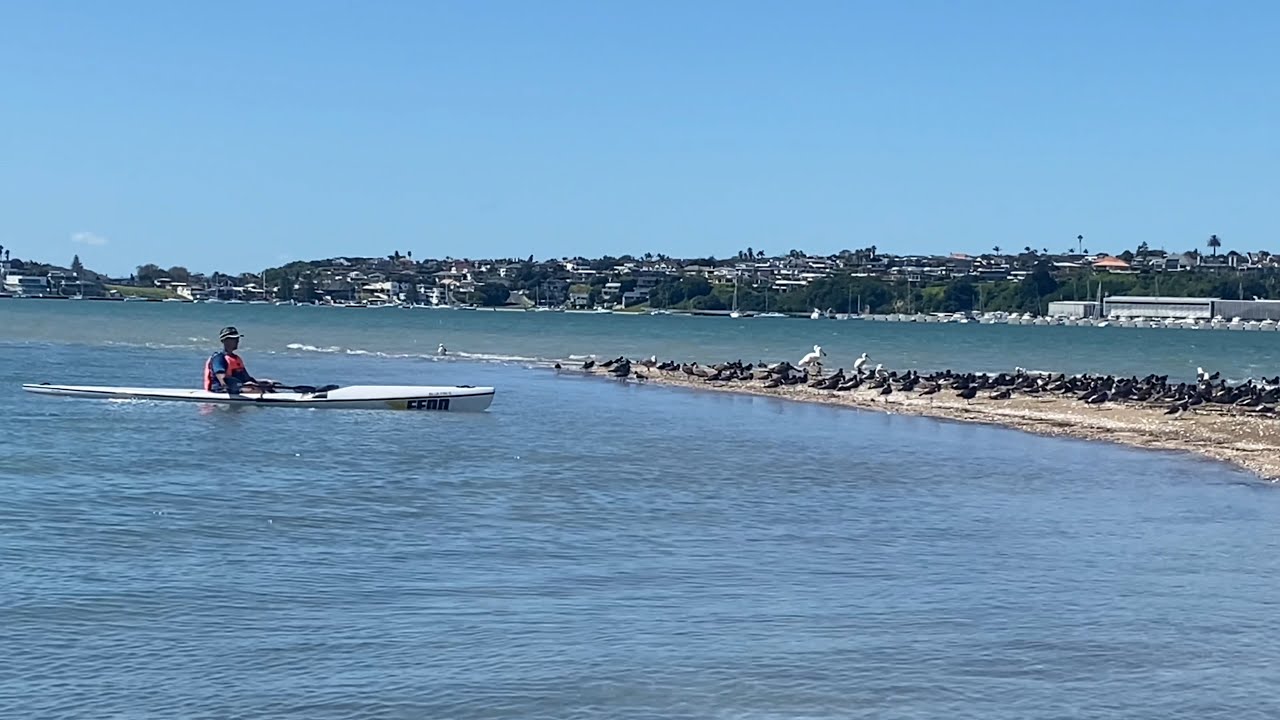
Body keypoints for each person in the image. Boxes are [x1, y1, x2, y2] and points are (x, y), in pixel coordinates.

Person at [204, 326, 272, 393]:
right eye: (233, 339)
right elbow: (223, 381)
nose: (237, 341)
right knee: (256, 390)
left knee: (268, 387)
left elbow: (247, 379)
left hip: (238, 388)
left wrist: (263, 384)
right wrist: (243, 386)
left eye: (237, 338)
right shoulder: (218, 358)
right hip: (221, 391)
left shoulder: (237, 358)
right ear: (224, 341)